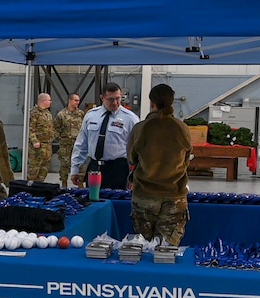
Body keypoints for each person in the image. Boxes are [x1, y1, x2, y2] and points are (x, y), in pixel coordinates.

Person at [127, 84, 192, 246]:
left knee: (142, 247)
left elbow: (131, 159)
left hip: (144, 196)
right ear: (172, 102)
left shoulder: (141, 128)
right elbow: (186, 160)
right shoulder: (182, 128)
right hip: (174, 196)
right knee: (166, 251)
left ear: (151, 102)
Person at [71, 82, 140, 189]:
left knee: (117, 201)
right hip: (94, 167)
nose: (115, 102)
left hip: (118, 169)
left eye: (118, 98)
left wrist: (134, 176)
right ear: (102, 98)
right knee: (93, 201)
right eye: (111, 99)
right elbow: (81, 143)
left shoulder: (131, 119)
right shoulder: (91, 115)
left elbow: (138, 149)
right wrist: (75, 168)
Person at [54, 93, 86, 188]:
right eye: (75, 100)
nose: (78, 102)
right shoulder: (62, 114)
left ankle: (80, 184)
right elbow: (55, 128)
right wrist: (60, 139)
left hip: (78, 144)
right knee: (64, 165)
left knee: (80, 164)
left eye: (78, 101)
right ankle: (64, 184)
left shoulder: (80, 114)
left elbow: (84, 127)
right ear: (70, 101)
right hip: (65, 145)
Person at [27, 93, 54, 182]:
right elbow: (30, 128)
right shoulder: (34, 113)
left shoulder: (48, 113)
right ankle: (29, 188)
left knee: (44, 169)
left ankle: (39, 187)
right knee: (34, 170)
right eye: (49, 100)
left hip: (47, 146)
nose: (51, 102)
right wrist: (35, 141)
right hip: (37, 147)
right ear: (43, 101)